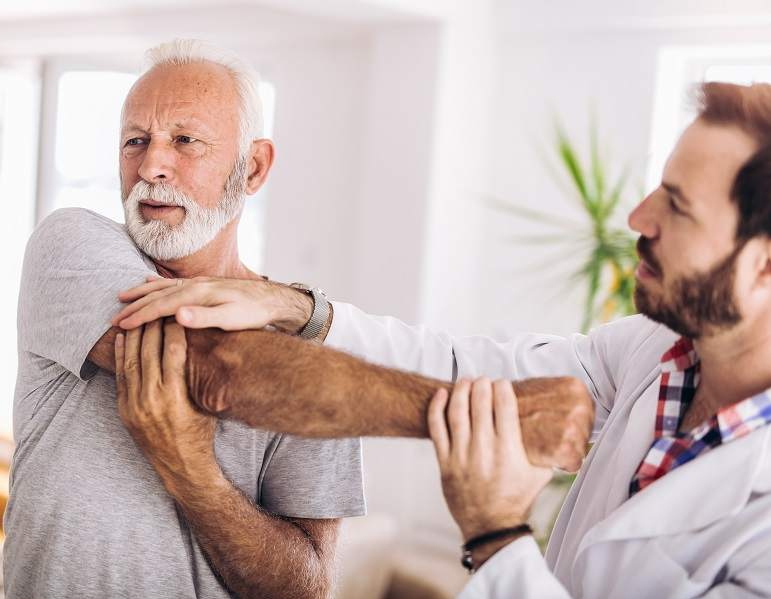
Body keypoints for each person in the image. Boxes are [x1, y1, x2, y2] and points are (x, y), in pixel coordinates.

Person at [115, 81, 771, 597]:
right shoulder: (649, 354)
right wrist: (298, 308)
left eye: (677, 205)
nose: (637, 217)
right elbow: (463, 367)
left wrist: (496, 534)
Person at [4, 39, 366, 599]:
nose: (151, 166)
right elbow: (204, 367)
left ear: (253, 167)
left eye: (185, 141)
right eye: (135, 141)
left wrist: (194, 474)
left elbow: (306, 588)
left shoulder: (318, 347)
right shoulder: (70, 246)